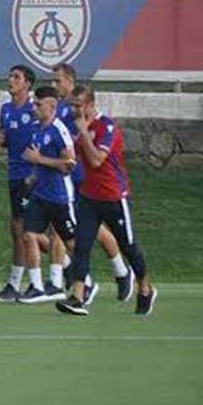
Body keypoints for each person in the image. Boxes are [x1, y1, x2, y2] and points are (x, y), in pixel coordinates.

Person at [57, 86, 157, 316]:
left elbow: (96, 161)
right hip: (89, 197)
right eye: (72, 105)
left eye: (78, 105)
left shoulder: (106, 127)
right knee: (81, 247)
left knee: (128, 247)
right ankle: (78, 297)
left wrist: (83, 134)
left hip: (113, 197)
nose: (74, 110)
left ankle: (144, 288)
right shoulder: (79, 127)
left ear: (91, 105)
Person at [51, 64, 134, 302]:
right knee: (65, 229)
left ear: (70, 81)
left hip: (82, 178)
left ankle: (109, 274)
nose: (55, 86)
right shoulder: (60, 109)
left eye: (58, 81)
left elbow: (89, 140)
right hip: (65, 176)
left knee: (90, 229)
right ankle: (76, 279)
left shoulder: (79, 110)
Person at [19, 86, 75, 304]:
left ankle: (83, 280)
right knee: (28, 235)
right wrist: (32, 177)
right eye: (34, 104)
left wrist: (38, 160)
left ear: (52, 106)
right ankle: (37, 286)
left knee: (69, 242)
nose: (34, 108)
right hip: (40, 194)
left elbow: (69, 165)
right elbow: (39, 161)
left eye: (38, 104)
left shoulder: (58, 130)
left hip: (60, 196)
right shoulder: (37, 129)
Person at [0, 64, 38, 302]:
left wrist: (37, 170)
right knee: (18, 229)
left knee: (27, 230)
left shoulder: (35, 109)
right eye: (10, 76)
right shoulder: (6, 109)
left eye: (16, 77)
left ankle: (42, 279)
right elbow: (6, 139)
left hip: (33, 177)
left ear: (27, 83)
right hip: (14, 175)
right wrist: (1, 140)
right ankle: (19, 282)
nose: (10, 80)